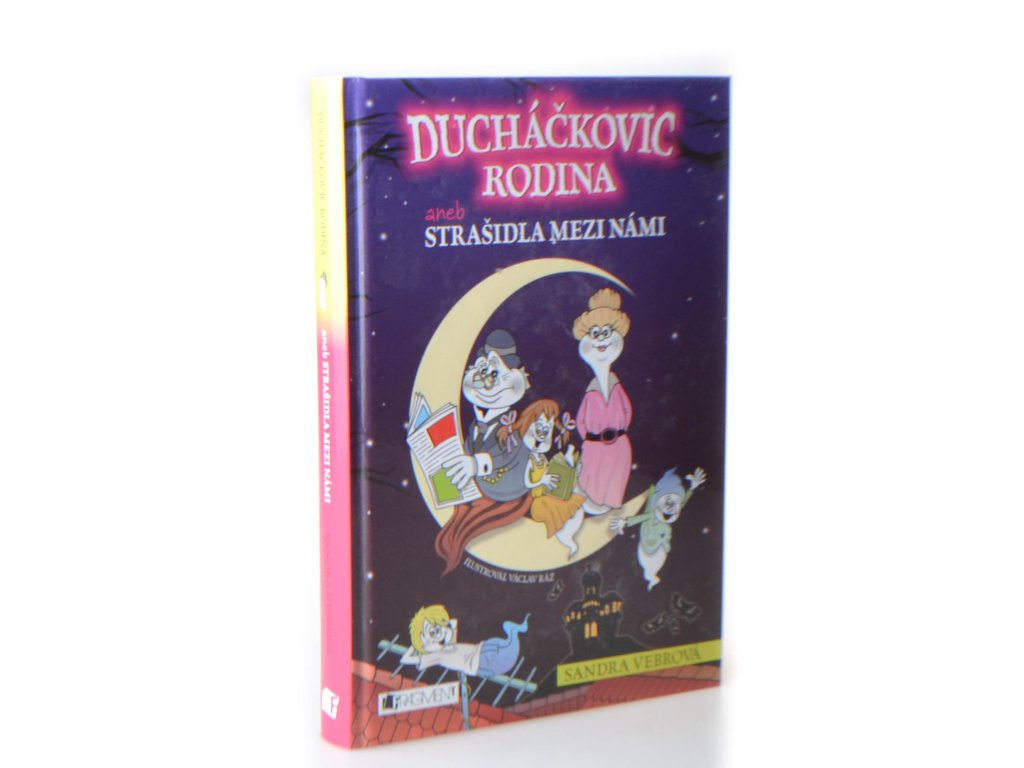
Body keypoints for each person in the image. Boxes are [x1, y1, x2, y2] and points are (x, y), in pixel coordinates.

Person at [434, 330, 533, 575]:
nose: (486, 384)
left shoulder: (512, 423)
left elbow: (509, 452)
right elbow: (470, 448)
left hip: (506, 490)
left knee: (469, 523)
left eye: (494, 376)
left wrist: (477, 464)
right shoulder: (477, 423)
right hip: (479, 487)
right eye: (481, 375)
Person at [572, 288, 633, 516]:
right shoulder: (591, 390)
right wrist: (589, 438)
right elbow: (581, 419)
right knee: (594, 476)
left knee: (615, 475)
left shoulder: (615, 384)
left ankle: (610, 504)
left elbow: (627, 411)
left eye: (606, 332)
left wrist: (620, 430)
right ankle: (593, 500)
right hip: (595, 443)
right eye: (594, 333)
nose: (600, 339)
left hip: (618, 442)